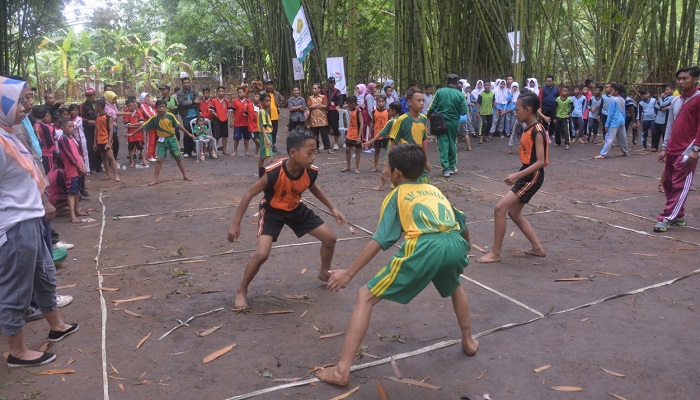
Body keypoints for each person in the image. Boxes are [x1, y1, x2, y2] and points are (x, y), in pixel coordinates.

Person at [316, 143, 478, 387]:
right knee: (455, 284)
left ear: (397, 174)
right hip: (454, 242)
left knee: (365, 296)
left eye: (388, 168)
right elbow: (461, 222)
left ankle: (341, 370)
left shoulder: (396, 195)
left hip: (425, 246)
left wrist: (349, 273)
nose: (386, 172)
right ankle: (468, 340)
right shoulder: (434, 190)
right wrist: (466, 248)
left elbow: (381, 240)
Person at [0, 76, 79, 368]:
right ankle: (17, 352)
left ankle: (56, 326)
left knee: (45, 275)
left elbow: (29, 174)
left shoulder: (9, 133)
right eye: (18, 101)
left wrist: (43, 202)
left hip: (30, 218)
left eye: (25, 100)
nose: (24, 107)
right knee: (16, 289)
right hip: (14, 225)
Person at [227, 129, 347, 310]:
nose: (313, 157)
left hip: (295, 209)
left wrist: (333, 208)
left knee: (330, 239)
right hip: (272, 212)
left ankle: (324, 272)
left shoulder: (310, 171)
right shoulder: (274, 172)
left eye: (315, 152)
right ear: (293, 153)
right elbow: (249, 193)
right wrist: (235, 224)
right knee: (261, 254)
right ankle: (242, 291)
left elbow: (313, 187)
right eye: (309, 152)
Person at [477, 92, 548, 263]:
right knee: (514, 213)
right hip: (527, 172)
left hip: (532, 175)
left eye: (517, 109)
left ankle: (495, 253)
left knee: (499, 209)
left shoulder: (537, 130)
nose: (515, 112)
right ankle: (537, 248)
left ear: (528, 110)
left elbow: (540, 161)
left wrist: (518, 175)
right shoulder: (528, 128)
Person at [654, 66, 700, 232]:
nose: (681, 81)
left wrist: (695, 149)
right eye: (679, 78)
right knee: (667, 183)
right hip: (672, 148)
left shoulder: (699, 98)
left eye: (685, 78)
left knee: (680, 185)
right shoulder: (676, 100)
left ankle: (666, 217)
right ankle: (678, 215)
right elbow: (670, 125)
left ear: (695, 79)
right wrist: (665, 147)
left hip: (687, 151)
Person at [128, 100, 192, 186]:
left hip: (172, 140)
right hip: (161, 141)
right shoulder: (154, 119)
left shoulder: (170, 116)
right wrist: (132, 133)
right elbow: (143, 126)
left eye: (163, 107)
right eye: (159, 107)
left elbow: (178, 125)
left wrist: (188, 133)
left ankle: (185, 175)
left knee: (178, 158)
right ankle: (156, 179)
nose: (161, 109)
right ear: (156, 108)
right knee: (159, 160)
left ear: (166, 107)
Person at [427, 73, 468, 177]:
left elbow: (432, 106)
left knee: (442, 144)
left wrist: (427, 115)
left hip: (440, 121)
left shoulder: (440, 92)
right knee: (452, 143)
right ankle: (452, 166)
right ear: (457, 83)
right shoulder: (460, 95)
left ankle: (445, 169)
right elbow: (464, 111)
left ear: (446, 81)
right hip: (454, 122)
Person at [387, 90, 431, 182]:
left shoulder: (424, 119)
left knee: (424, 186)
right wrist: (388, 166)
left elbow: (423, 141)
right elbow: (393, 143)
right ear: (409, 102)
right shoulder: (402, 120)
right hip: (405, 161)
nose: (422, 103)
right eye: (419, 100)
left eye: (423, 100)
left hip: (419, 159)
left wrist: (426, 161)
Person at [365, 101, 402, 190]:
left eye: (390, 110)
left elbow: (381, 133)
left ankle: (381, 185)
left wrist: (370, 142)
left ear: (394, 111)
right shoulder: (403, 120)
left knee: (387, 165)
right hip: (401, 145)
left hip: (392, 144)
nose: (388, 111)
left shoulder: (391, 122)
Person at [56, 118, 88, 223]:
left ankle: (77, 210)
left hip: (78, 169)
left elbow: (79, 154)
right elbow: (70, 155)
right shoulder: (63, 139)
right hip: (71, 170)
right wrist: (78, 166)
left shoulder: (72, 139)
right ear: (63, 128)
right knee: (71, 192)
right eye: (69, 127)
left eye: (73, 126)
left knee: (77, 190)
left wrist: (82, 166)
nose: (72, 128)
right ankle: (72, 215)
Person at [594, 84, 629, 159]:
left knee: (609, 137)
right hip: (621, 120)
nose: (611, 91)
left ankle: (603, 154)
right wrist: (624, 120)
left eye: (613, 90)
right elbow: (624, 112)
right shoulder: (622, 99)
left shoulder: (613, 100)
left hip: (614, 121)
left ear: (617, 91)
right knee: (622, 137)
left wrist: (607, 124)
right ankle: (625, 151)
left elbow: (610, 113)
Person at [93, 99, 121, 182]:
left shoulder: (108, 118)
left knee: (110, 157)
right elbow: (96, 130)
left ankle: (116, 175)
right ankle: (108, 174)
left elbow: (111, 130)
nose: (95, 107)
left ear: (100, 107)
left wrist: (109, 142)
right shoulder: (97, 117)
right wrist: (94, 142)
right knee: (104, 157)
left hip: (106, 139)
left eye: (96, 106)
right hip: (100, 140)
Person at [177, 77, 200, 158]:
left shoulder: (194, 91)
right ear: (182, 84)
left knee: (195, 132)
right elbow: (182, 103)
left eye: (188, 82)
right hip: (186, 116)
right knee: (187, 133)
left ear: (190, 83)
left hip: (195, 114)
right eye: (185, 83)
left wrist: (191, 103)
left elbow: (198, 102)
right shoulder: (179, 93)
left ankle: (193, 149)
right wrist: (193, 102)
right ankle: (186, 151)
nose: (187, 84)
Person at [123, 96, 147, 168]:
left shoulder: (138, 112)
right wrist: (137, 125)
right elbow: (127, 125)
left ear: (134, 105)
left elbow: (142, 123)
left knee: (141, 147)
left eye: (131, 106)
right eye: (128, 107)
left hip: (139, 134)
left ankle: (144, 160)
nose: (129, 108)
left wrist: (132, 125)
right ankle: (132, 162)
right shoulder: (127, 113)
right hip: (131, 135)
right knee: (130, 149)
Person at [80, 88, 100, 172]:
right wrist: (88, 121)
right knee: (91, 147)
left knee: (100, 146)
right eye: (88, 95)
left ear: (94, 95)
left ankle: (99, 165)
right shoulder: (83, 105)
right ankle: (92, 166)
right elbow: (80, 117)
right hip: (89, 129)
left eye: (91, 95)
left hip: (99, 128)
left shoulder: (98, 104)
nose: (90, 97)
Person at [342, 96, 363, 174]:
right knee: (347, 149)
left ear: (353, 104)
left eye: (349, 104)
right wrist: (347, 105)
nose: (348, 105)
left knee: (357, 150)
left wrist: (359, 136)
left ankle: (356, 167)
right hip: (350, 133)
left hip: (356, 133)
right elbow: (344, 106)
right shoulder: (350, 109)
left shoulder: (358, 112)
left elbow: (362, 124)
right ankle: (348, 166)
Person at [307, 83, 331, 153]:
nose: (314, 90)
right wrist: (319, 104)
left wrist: (315, 105)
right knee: (315, 135)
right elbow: (310, 106)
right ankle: (316, 148)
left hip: (322, 118)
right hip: (313, 119)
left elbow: (325, 105)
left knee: (324, 134)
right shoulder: (310, 98)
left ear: (319, 89)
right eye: (313, 88)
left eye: (315, 88)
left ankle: (328, 148)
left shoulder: (323, 97)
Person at [263, 79, 285, 151]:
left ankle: (273, 145)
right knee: (267, 131)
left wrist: (279, 106)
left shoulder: (276, 93)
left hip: (275, 116)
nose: (269, 86)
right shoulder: (263, 93)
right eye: (268, 85)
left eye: (271, 85)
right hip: (266, 116)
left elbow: (283, 99)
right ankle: (267, 145)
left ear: (273, 86)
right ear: (265, 86)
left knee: (274, 132)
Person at [210, 86, 233, 154]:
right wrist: (218, 117)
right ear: (217, 92)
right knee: (216, 136)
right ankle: (214, 150)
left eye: (222, 91)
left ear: (224, 92)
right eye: (220, 91)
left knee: (224, 135)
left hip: (224, 120)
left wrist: (226, 117)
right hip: (216, 120)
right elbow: (212, 111)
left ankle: (224, 150)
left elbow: (229, 110)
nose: (221, 93)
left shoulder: (227, 101)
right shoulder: (214, 101)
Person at [652, 83, 675, 152]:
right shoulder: (663, 97)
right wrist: (661, 106)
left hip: (665, 120)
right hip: (658, 119)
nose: (665, 91)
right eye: (665, 90)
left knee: (665, 134)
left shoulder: (672, 98)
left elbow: (662, 104)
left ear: (672, 90)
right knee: (656, 134)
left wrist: (661, 99)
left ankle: (666, 147)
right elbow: (656, 105)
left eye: (667, 90)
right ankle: (655, 147)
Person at [323, 77, 343, 150]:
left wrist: (337, 105)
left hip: (333, 111)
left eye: (331, 83)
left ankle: (336, 143)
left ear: (334, 84)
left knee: (335, 127)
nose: (330, 84)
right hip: (325, 112)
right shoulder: (324, 91)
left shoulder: (337, 92)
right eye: (329, 82)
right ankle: (325, 143)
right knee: (324, 128)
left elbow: (341, 101)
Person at [257, 93, 274, 177]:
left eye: (269, 101)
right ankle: (267, 175)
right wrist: (267, 138)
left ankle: (261, 174)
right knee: (269, 156)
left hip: (266, 135)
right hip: (266, 134)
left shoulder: (265, 111)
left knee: (263, 156)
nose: (268, 103)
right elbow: (262, 126)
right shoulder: (262, 112)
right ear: (262, 102)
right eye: (266, 101)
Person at [231, 87, 252, 156]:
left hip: (246, 123)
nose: (239, 94)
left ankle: (247, 151)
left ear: (244, 93)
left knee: (246, 138)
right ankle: (235, 151)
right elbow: (232, 112)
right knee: (236, 138)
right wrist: (231, 121)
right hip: (237, 123)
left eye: (241, 92)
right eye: (238, 93)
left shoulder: (248, 102)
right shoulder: (235, 102)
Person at [139, 93, 158, 162]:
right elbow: (150, 115)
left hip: (156, 124)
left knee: (155, 140)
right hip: (150, 125)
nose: (147, 98)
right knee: (151, 140)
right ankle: (150, 155)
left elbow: (157, 110)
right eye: (145, 97)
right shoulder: (143, 105)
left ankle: (154, 154)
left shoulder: (151, 105)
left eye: (148, 97)